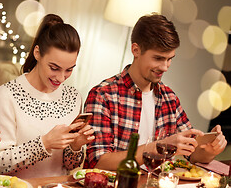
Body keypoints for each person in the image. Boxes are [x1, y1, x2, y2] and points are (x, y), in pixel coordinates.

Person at [84, 14, 227, 171]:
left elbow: (192, 155)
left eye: (169, 59)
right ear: (136, 50)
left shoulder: (169, 98)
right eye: (158, 58)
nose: (165, 67)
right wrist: (160, 147)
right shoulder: (103, 95)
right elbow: (98, 162)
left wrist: (210, 149)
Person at [0, 14, 95, 178]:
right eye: (54, 68)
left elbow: (70, 166)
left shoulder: (73, 97)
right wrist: (44, 143)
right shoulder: (7, 94)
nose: (61, 78)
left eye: (69, 70)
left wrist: (75, 146)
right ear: (37, 53)